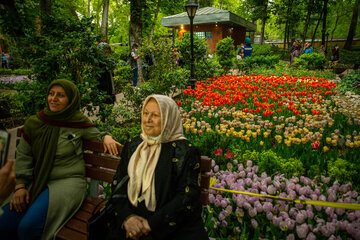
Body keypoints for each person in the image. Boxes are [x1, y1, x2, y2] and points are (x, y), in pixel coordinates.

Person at [0, 79, 121, 239]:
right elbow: (24, 155)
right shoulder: (35, 123)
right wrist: (20, 186)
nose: (53, 98)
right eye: (51, 94)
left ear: (70, 100)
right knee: (5, 223)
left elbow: (96, 134)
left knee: (28, 228)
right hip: (36, 180)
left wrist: (106, 137)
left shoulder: (77, 122)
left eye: (60, 95)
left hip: (67, 182)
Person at [106, 95, 208, 240]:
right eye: (146, 113)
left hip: (170, 228)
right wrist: (128, 218)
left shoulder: (184, 151)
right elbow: (118, 185)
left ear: (168, 118)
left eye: (155, 115)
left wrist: (150, 224)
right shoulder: (134, 146)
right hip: (132, 223)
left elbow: (187, 197)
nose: (147, 120)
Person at [97, 40, 116, 105]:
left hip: (109, 82)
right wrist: (105, 68)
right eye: (105, 50)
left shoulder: (107, 58)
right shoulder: (97, 59)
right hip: (103, 85)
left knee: (111, 101)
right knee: (104, 103)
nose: (107, 52)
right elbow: (97, 73)